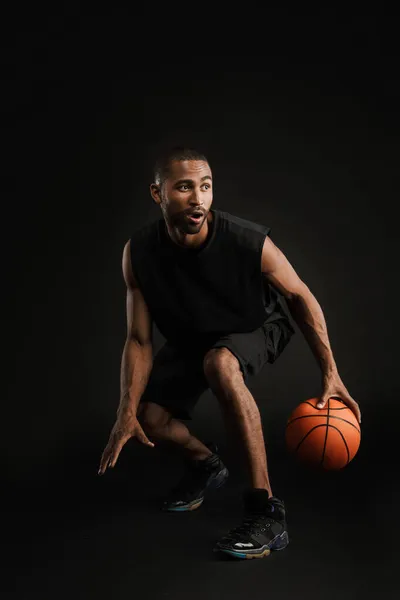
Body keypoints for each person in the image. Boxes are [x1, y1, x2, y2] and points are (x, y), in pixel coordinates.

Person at [98, 147, 361, 560]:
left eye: (205, 187)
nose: (198, 198)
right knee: (148, 418)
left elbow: (300, 297)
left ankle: (268, 514)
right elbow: (139, 339)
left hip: (253, 325)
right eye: (184, 187)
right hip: (193, 335)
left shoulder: (247, 240)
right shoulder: (139, 252)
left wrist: (331, 372)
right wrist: (123, 410)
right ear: (158, 194)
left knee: (219, 363)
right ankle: (206, 464)